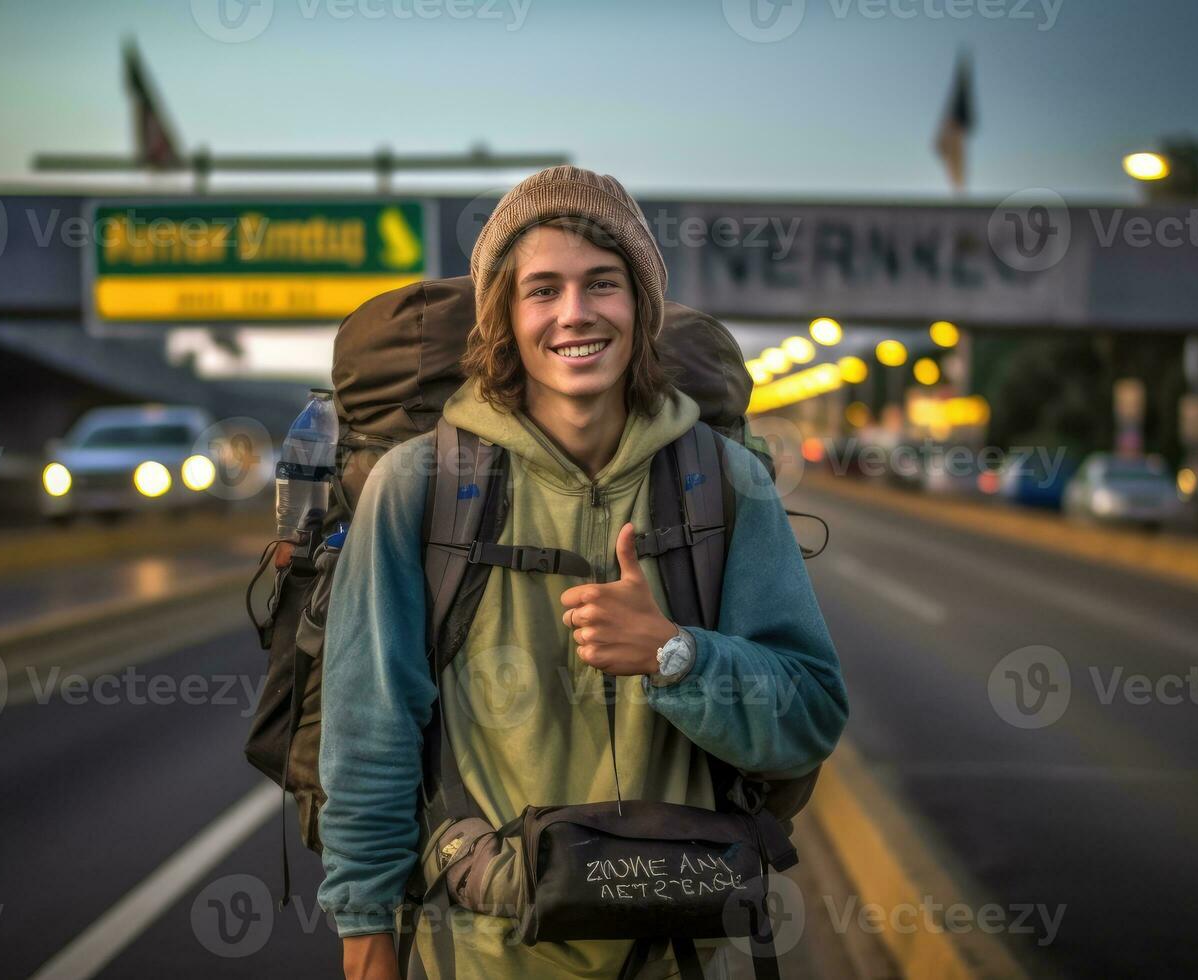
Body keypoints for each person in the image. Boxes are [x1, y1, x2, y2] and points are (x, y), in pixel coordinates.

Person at [318, 166, 848, 979]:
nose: (575, 313)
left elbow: (810, 715)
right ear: (504, 314)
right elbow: (370, 731)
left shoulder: (726, 482)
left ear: (640, 306)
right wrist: (365, 935)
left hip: (688, 956)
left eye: (603, 283)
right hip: (480, 957)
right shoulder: (417, 487)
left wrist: (677, 655)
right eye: (542, 289)